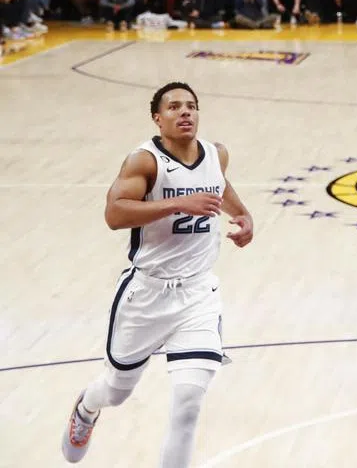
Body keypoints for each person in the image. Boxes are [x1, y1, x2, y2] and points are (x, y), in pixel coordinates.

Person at [61, 83, 255, 467]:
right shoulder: (144, 162)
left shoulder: (216, 154)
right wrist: (179, 203)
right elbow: (115, 214)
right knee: (116, 391)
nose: (185, 112)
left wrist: (242, 214)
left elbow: (219, 184)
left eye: (191, 106)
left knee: (188, 404)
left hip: (198, 294)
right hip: (146, 294)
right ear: (157, 118)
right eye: (174, 107)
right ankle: (86, 408)